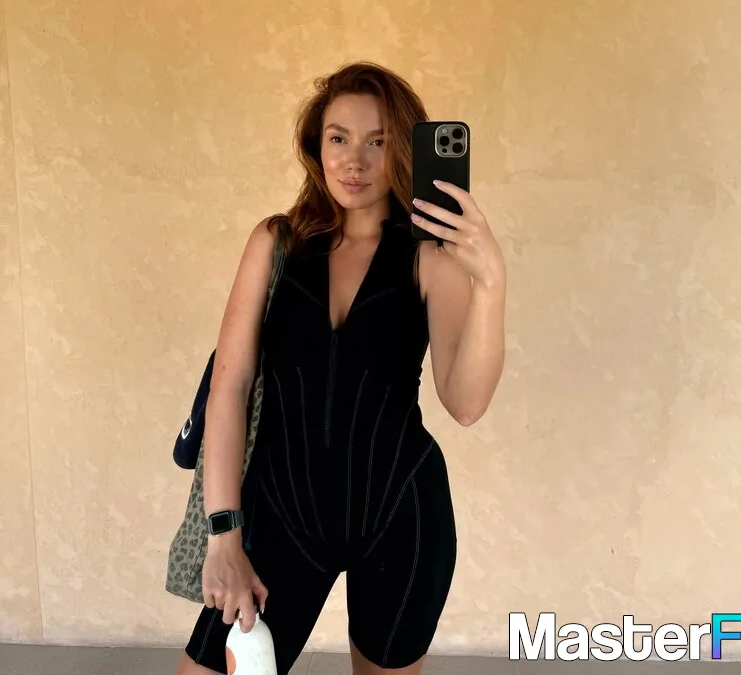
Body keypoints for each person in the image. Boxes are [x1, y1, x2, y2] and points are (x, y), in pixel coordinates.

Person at [176, 61, 506, 675]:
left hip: (400, 517)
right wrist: (224, 535)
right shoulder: (275, 242)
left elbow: (465, 404)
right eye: (339, 138)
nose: (354, 161)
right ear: (316, 145)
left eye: (377, 141)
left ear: (402, 149)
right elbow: (230, 386)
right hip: (282, 517)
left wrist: (490, 283)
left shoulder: (430, 259)